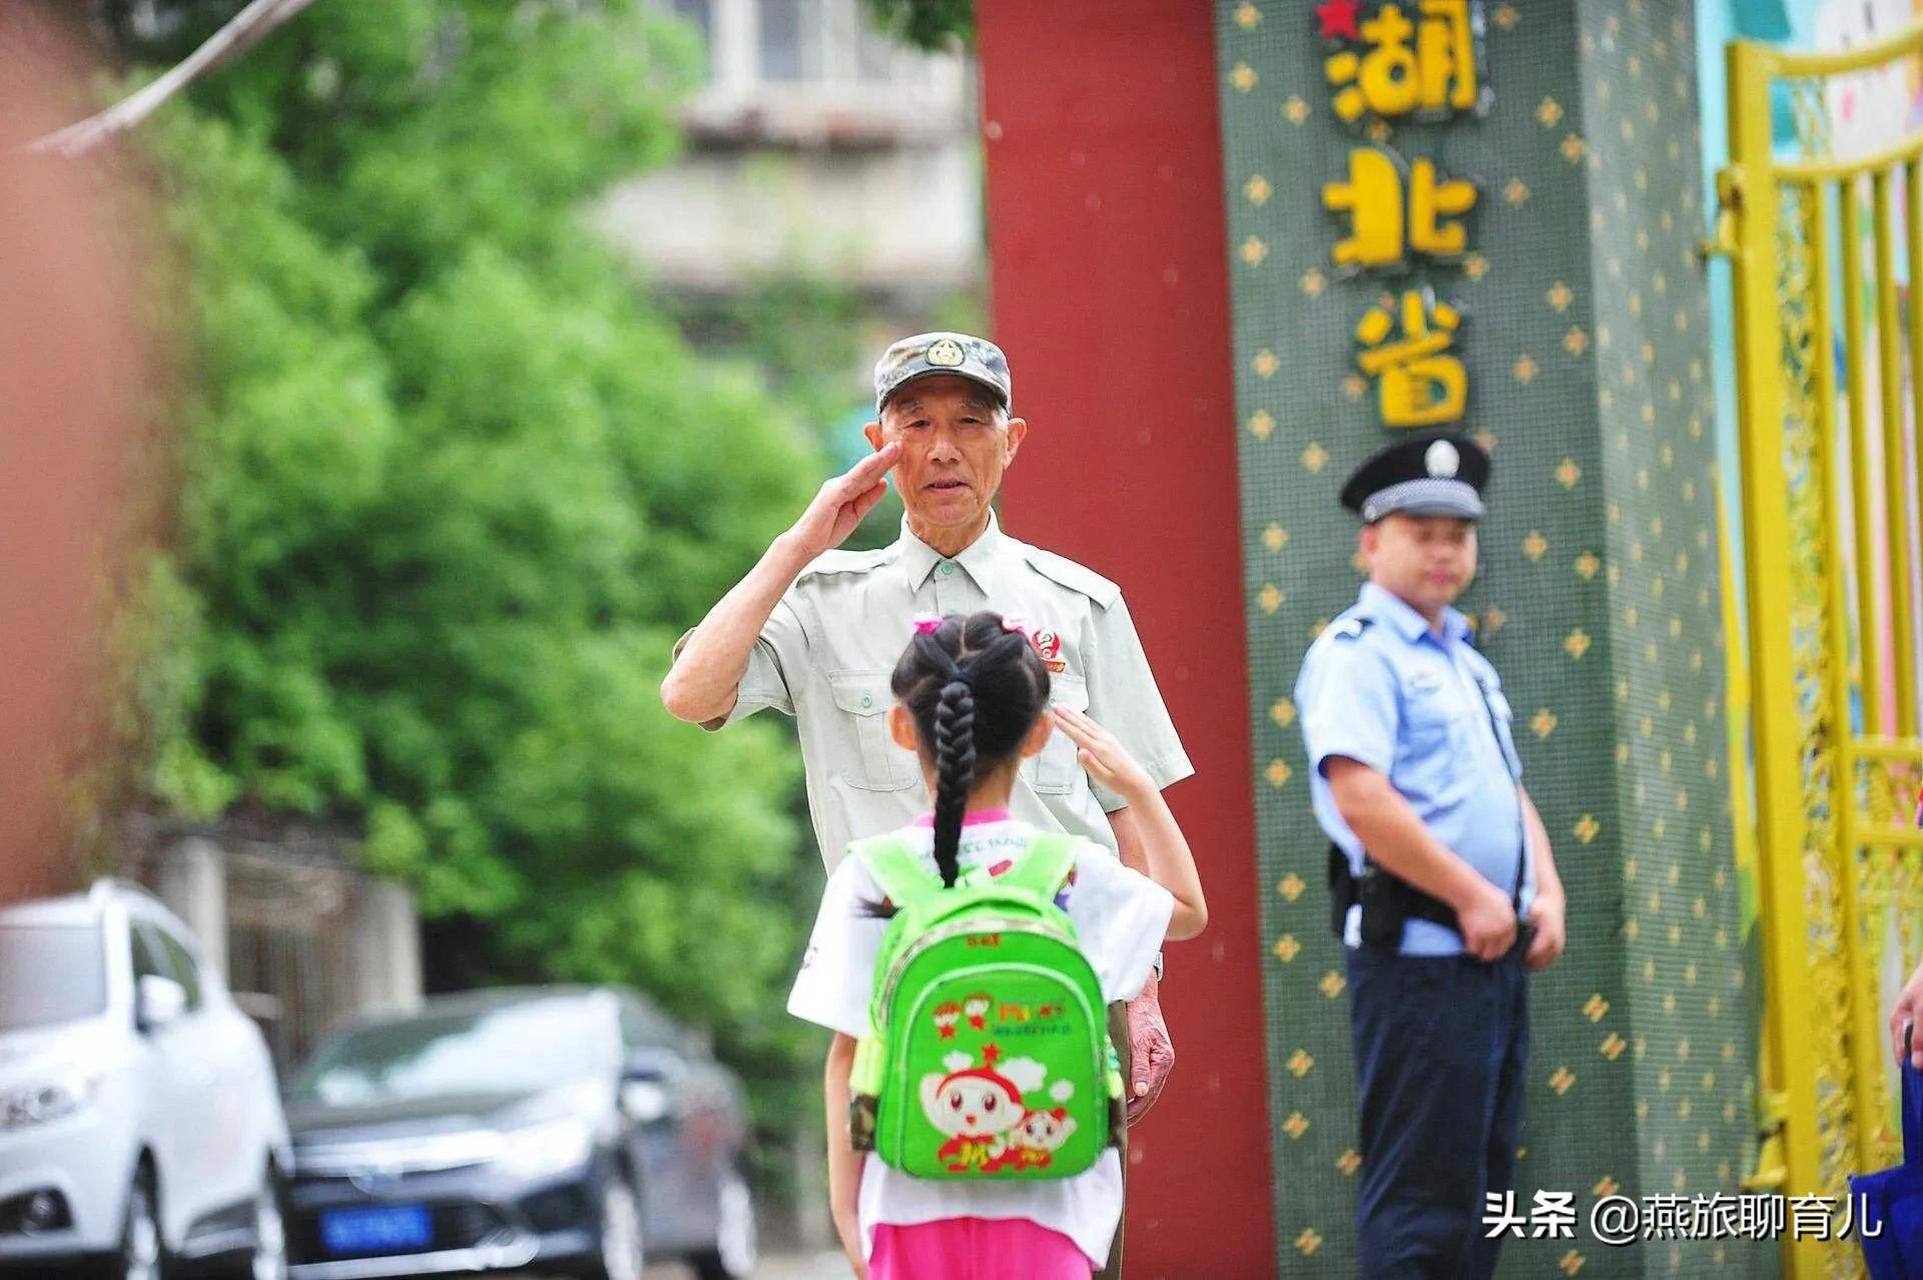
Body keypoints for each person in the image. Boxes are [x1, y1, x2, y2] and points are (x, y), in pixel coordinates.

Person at [660, 332, 1193, 1272]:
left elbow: (1120, 819)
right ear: (879, 440)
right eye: (916, 424)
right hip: (900, 996)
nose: (942, 447)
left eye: (968, 422)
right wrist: (799, 542)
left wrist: (1142, 990)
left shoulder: (1080, 604)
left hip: (1058, 992)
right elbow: (690, 695)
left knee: (1068, 1253)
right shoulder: (821, 601)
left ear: (1011, 439)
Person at [786, 610, 1207, 1278]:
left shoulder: (872, 873)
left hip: (906, 1195)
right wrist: (1134, 785)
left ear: (901, 727)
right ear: (1039, 735)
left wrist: (851, 1219)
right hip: (1053, 1198)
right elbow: (1187, 911)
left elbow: (846, 1057)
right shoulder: (1068, 869)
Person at [1293, 429, 1567, 1279]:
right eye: (1422, 533)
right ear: (1372, 543)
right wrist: (1472, 898)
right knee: (1419, 1199)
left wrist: (1543, 892)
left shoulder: (1461, 658)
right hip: (1418, 962)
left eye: (1457, 535)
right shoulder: (1357, 656)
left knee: (1482, 1186)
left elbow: (1506, 787)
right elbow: (1360, 798)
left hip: (1488, 955)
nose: (1443, 552)